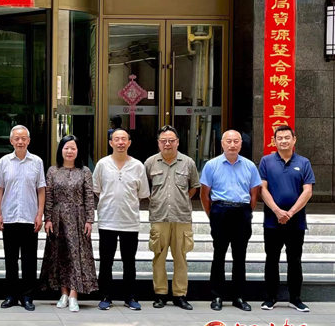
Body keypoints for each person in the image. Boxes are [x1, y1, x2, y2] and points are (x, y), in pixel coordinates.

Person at [200, 130, 261, 312]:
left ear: (241, 144)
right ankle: (217, 295)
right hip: (220, 211)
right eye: (229, 141)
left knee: (240, 256)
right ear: (222, 143)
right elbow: (204, 195)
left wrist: (246, 213)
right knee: (219, 255)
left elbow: (254, 195)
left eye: (236, 141)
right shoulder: (211, 165)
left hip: (241, 212)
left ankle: (239, 296)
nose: (232, 145)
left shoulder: (250, 166)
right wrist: (213, 215)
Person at [259, 125, 314, 312]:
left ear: (294, 140)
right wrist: (277, 211)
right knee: (271, 259)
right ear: (274, 141)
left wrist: (290, 213)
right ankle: (270, 298)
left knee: (295, 260)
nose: (283, 141)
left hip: (296, 222)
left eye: (287, 137)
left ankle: (295, 299)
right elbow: (262, 189)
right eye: (279, 138)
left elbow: (307, 191)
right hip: (272, 221)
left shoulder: (304, 162)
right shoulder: (266, 161)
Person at [144, 125, 200, 310]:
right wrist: (158, 200)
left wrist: (180, 200)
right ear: (158, 143)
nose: (167, 144)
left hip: (181, 217)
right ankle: (160, 294)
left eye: (171, 140)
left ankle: (180, 295)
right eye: (164, 141)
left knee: (180, 257)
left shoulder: (188, 163)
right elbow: (145, 188)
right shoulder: (150, 163)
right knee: (158, 257)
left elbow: (193, 187)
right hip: (159, 217)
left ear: (177, 142)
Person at [94, 128, 150, 311]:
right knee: (106, 261)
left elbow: (142, 193)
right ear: (110, 143)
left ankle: (130, 297)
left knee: (129, 262)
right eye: (116, 139)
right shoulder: (102, 164)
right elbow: (97, 190)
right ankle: (105, 296)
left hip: (129, 221)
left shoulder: (138, 166)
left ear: (129, 143)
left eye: (123, 139)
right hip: (107, 220)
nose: (120, 142)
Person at [40, 135, 97, 312]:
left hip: (78, 217)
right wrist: (47, 219)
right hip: (58, 218)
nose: (69, 151)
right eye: (66, 148)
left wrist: (89, 220)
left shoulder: (85, 172)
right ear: (61, 150)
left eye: (73, 148)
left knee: (76, 256)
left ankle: (74, 294)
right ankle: (63, 293)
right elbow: (49, 196)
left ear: (78, 151)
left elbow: (89, 197)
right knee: (60, 256)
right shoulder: (52, 171)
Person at [0, 125, 46, 312]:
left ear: (29, 140)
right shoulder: (4, 162)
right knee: (10, 260)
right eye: (16, 138)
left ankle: (27, 296)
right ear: (11, 141)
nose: (20, 141)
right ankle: (11, 295)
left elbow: (41, 189)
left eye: (23, 138)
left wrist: (39, 214)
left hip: (29, 217)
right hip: (9, 217)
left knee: (29, 260)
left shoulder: (37, 162)